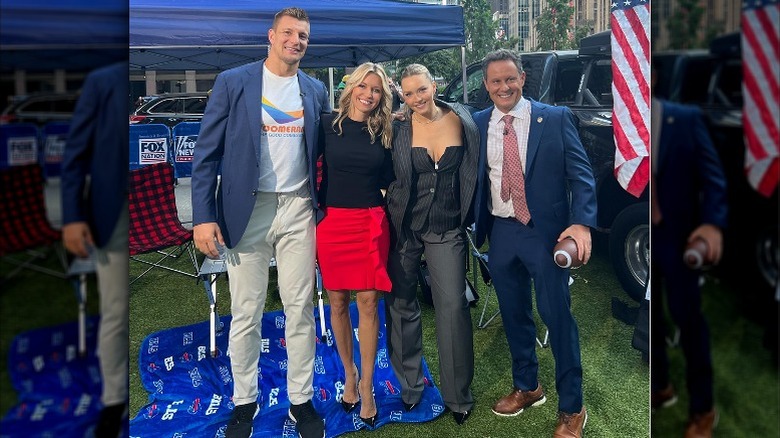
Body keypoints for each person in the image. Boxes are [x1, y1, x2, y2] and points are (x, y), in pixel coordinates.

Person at [190, 7, 331, 438]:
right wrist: (203, 218)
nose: (296, 40)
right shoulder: (234, 82)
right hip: (244, 212)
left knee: (300, 309)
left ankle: (300, 401)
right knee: (246, 312)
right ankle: (244, 403)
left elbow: (330, 143)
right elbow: (206, 153)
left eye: (303, 35)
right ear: (271, 36)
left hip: (297, 208)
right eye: (288, 32)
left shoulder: (314, 90)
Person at [472, 49, 597, 437]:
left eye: (510, 79)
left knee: (556, 317)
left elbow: (582, 175)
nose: (503, 86)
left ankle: (572, 408)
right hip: (502, 233)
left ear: (522, 78)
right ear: (486, 85)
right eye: (495, 81)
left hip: (546, 234)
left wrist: (581, 224)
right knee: (514, 316)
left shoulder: (555, 118)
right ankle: (528, 387)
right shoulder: (477, 123)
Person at [384, 63, 479, 425]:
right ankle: (410, 388)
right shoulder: (397, 127)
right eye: (408, 93)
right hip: (403, 227)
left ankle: (459, 396)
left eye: (421, 90)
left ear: (434, 85)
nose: (415, 99)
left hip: (447, 227)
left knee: (453, 306)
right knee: (401, 304)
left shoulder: (463, 120)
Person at [316, 62, 395, 428]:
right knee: (336, 301)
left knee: (367, 302)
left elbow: (391, 176)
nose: (369, 94)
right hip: (332, 223)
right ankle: (348, 374)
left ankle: (367, 384)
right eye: (364, 86)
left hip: (368, 223)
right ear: (350, 87)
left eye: (376, 89)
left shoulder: (385, 129)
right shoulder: (325, 125)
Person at [650, 66, 727, 438]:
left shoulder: (686, 119)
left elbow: (714, 179)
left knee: (688, 319)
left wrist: (712, 223)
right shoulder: (626, 122)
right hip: (645, 235)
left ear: (650, 73)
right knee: (653, 319)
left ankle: (703, 410)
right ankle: (661, 386)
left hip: (679, 238)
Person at [60, 60, 129, 438]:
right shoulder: (102, 81)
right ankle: (114, 399)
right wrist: (72, 216)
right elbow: (75, 154)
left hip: (152, 205)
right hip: (111, 212)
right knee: (117, 311)